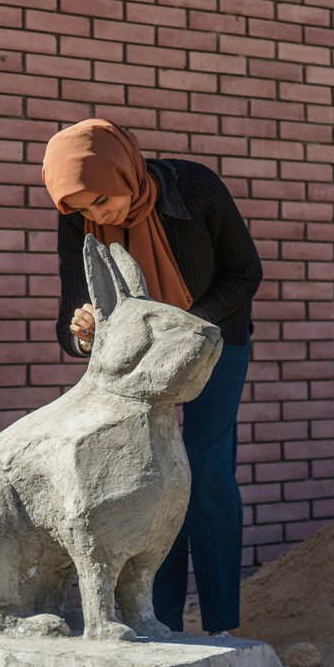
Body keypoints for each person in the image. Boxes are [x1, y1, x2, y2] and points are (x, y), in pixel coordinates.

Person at [41, 118, 262, 635]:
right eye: (85, 210)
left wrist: (185, 328)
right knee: (154, 481)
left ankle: (223, 628)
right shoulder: (77, 219)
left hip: (214, 343)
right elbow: (72, 315)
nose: (99, 216)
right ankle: (159, 624)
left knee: (207, 473)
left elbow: (244, 273)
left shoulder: (196, 188)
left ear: (124, 170)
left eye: (102, 201)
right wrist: (84, 331)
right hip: (139, 362)